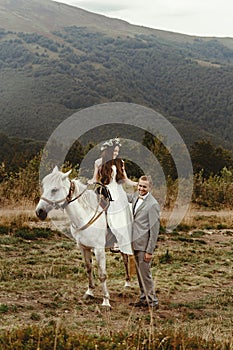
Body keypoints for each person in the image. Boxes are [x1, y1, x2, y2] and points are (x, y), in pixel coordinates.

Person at [88, 138, 137, 255]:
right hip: (105, 190)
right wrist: (90, 182)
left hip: (118, 192)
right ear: (108, 151)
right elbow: (95, 179)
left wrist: (137, 183)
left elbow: (125, 180)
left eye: (117, 151)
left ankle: (118, 242)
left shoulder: (120, 162)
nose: (116, 153)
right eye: (114, 151)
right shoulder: (98, 162)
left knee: (121, 214)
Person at [128, 175, 160, 309]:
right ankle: (143, 298)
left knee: (145, 274)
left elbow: (154, 230)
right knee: (139, 273)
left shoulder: (153, 205)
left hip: (144, 246)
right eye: (140, 185)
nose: (141, 188)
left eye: (144, 186)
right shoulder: (135, 196)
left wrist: (149, 251)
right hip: (134, 243)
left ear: (150, 187)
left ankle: (152, 302)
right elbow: (124, 196)